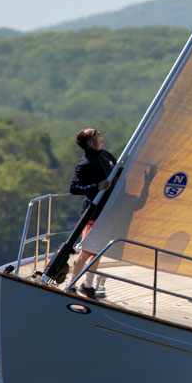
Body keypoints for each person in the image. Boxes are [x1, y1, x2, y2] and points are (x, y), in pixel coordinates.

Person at [65, 127, 115, 297]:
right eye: (95, 133)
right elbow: (74, 188)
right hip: (92, 214)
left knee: (97, 251)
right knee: (87, 251)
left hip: (106, 213)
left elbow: (119, 173)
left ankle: (87, 285)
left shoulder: (106, 155)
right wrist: (96, 186)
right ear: (89, 143)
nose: (100, 134)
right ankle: (71, 283)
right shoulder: (85, 163)